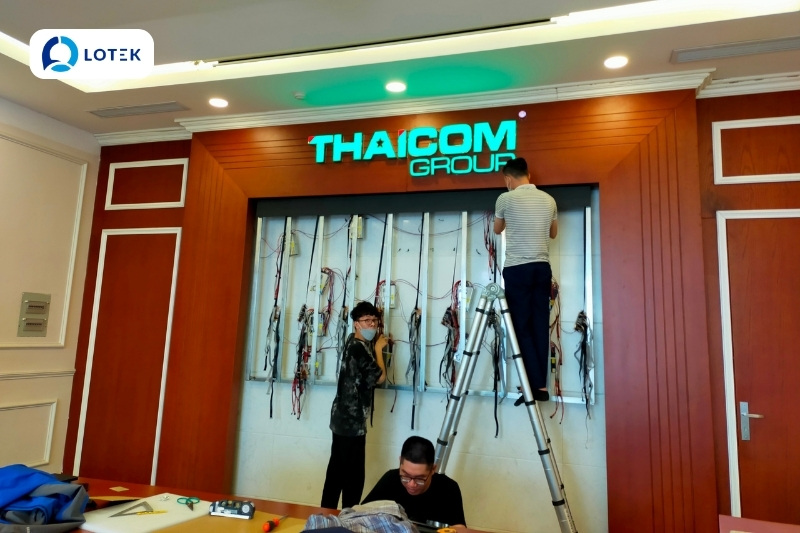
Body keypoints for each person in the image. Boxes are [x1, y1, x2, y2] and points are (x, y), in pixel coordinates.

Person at [493, 157, 558, 403]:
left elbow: (497, 229)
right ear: (528, 175)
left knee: (520, 327)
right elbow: (553, 233)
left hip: (517, 269)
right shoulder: (549, 200)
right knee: (539, 325)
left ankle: (532, 384)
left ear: (508, 179)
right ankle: (540, 386)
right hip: (542, 268)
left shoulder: (505, 198)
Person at [321, 301, 387, 509]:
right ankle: (348, 517)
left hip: (341, 419)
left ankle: (327, 514)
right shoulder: (359, 348)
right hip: (351, 423)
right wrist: (379, 350)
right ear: (356, 324)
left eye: (374, 320)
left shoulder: (352, 341)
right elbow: (380, 378)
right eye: (366, 321)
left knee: (336, 471)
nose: (372, 325)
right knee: (353, 477)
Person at [361, 436, 466, 530]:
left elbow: (459, 528)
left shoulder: (448, 488)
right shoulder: (391, 478)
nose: (411, 484)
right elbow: (362, 514)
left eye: (419, 479)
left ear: (433, 469)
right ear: (400, 462)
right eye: (405, 476)